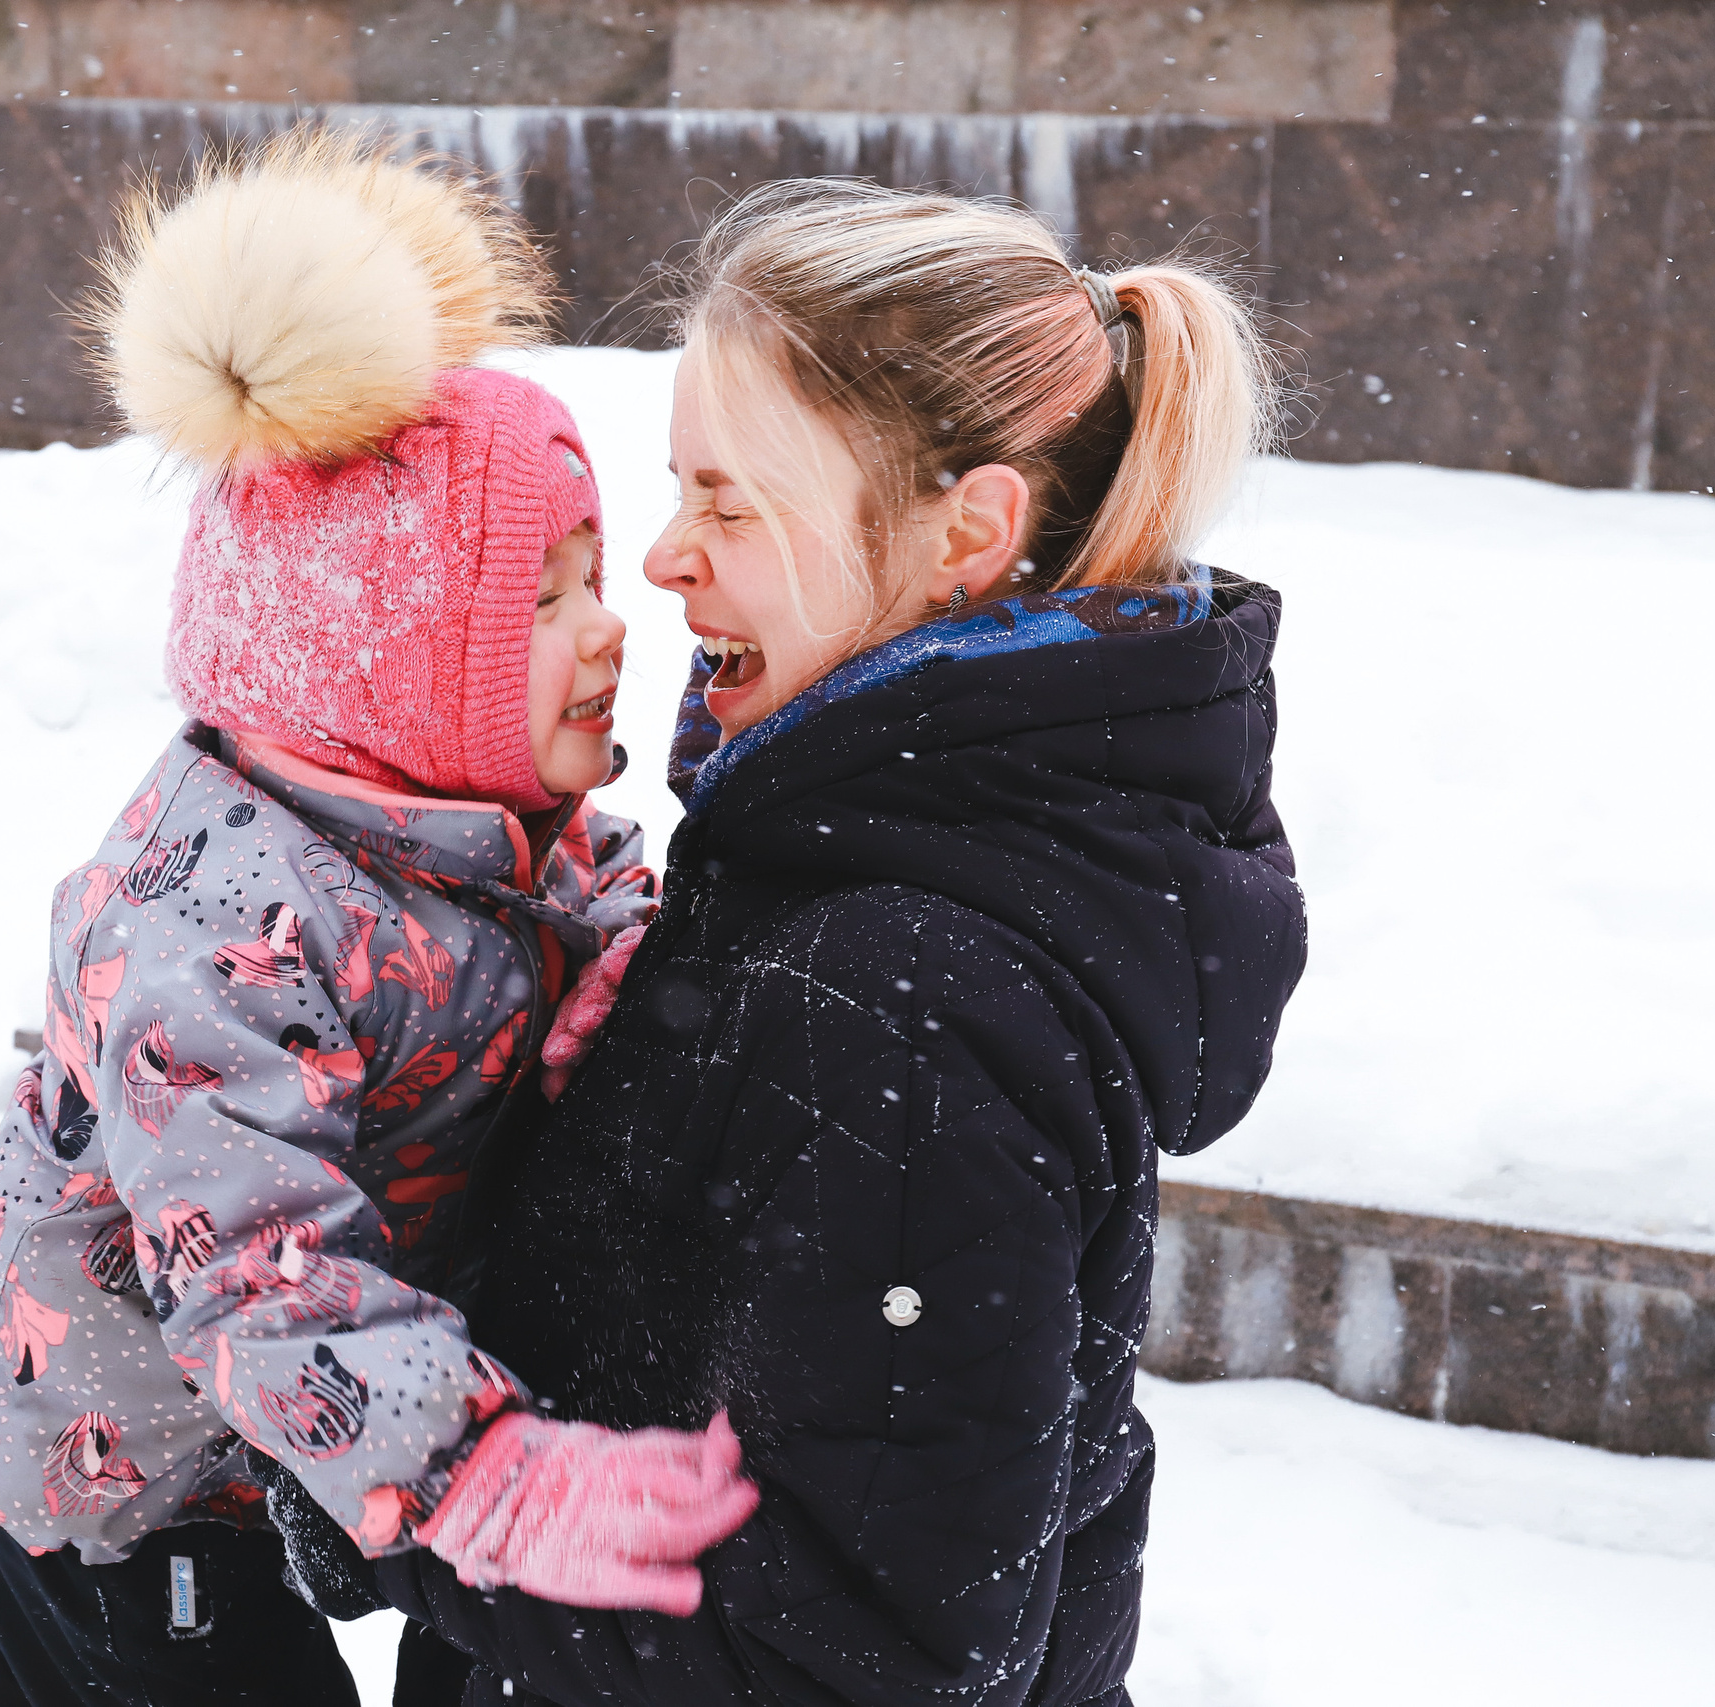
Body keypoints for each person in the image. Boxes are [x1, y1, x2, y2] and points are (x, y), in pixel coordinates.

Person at [371, 181, 1310, 1704]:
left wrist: (390, 1503)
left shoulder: (900, 998)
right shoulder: (879, 866)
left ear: (970, 534)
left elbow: (862, 1658)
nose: (667, 559)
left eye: (731, 501)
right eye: (678, 489)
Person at [0, 138, 759, 1707]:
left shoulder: (460, 816)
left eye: (592, 576)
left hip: (261, 1442)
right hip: (118, 1475)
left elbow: (574, 877)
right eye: (540, 600)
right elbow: (257, 1262)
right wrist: (489, 1474)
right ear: (381, 656)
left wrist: (620, 960)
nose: (613, 626)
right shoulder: (211, 935)